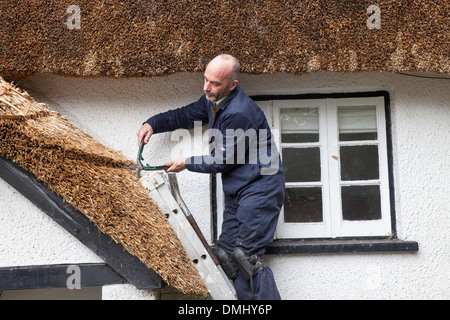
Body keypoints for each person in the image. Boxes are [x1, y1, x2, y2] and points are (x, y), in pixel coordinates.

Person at [136, 54, 285, 300]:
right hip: (240, 189)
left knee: (247, 259)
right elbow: (184, 116)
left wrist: (186, 162)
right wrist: (152, 123)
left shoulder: (239, 112)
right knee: (226, 254)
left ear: (232, 85)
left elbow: (224, 161)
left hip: (261, 188)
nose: (207, 87)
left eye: (215, 83)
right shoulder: (214, 101)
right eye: (205, 79)